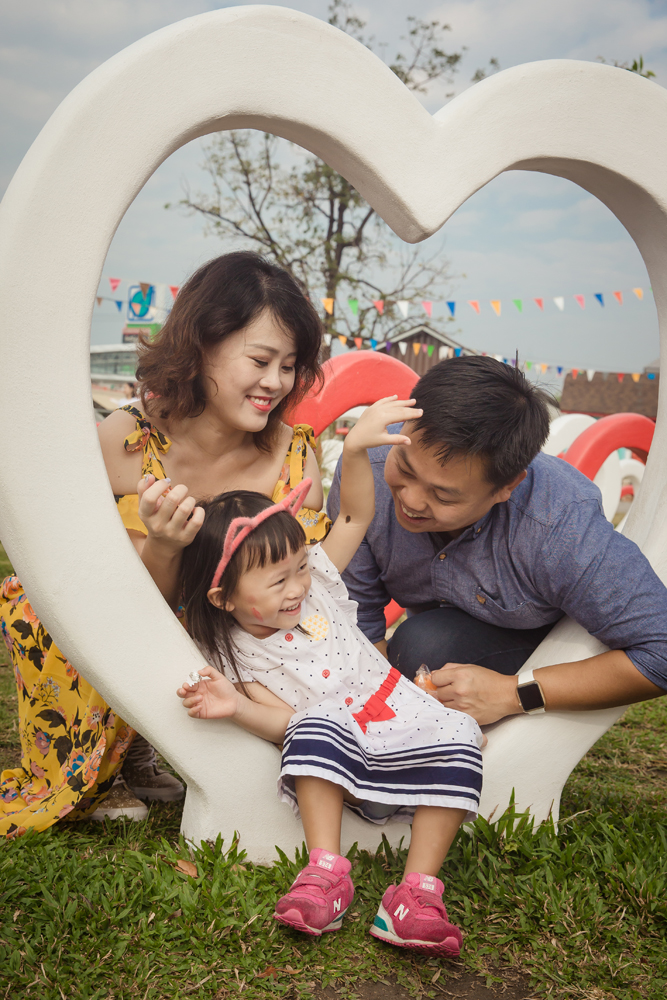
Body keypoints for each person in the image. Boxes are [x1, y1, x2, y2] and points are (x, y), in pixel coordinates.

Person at [0, 251, 326, 837]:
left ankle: (150, 744)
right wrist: (165, 547)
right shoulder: (127, 440)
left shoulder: (294, 453)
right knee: (37, 602)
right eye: (260, 359)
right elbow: (88, 584)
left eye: (290, 364)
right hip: (129, 611)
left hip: (242, 636)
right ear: (201, 346)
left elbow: (311, 586)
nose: (276, 383)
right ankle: (111, 757)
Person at [177, 397, 484, 956]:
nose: (298, 586)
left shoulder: (316, 584)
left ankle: (415, 893)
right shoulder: (240, 655)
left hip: (397, 718)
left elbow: (353, 517)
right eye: (277, 581)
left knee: (461, 733)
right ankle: (326, 873)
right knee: (312, 722)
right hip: (339, 759)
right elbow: (283, 724)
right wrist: (235, 706)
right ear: (223, 597)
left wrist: (360, 447)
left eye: (299, 566)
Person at [327, 355, 667, 726]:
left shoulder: (559, 525)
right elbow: (354, 611)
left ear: (507, 487)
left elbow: (661, 649)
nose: (410, 500)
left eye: (443, 496)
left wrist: (512, 693)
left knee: (423, 646)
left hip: (539, 645)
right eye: (404, 468)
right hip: (440, 632)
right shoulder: (367, 466)